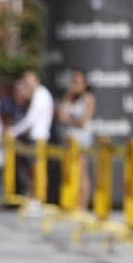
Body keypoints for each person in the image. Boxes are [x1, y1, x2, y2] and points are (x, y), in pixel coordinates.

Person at [10, 70, 54, 201]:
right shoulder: (37, 94)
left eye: (28, 82)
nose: (26, 86)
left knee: (36, 169)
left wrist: (13, 131)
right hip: (35, 138)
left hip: (38, 138)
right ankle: (35, 197)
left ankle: (39, 198)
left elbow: (31, 119)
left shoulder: (40, 94)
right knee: (33, 169)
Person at [55, 70, 96, 208]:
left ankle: (82, 206)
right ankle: (70, 203)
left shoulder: (89, 98)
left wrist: (68, 119)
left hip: (82, 142)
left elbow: (84, 121)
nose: (74, 84)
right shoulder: (70, 98)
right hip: (69, 141)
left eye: (77, 82)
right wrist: (68, 94)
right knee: (68, 172)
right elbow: (60, 114)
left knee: (82, 173)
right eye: (73, 81)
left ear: (85, 84)